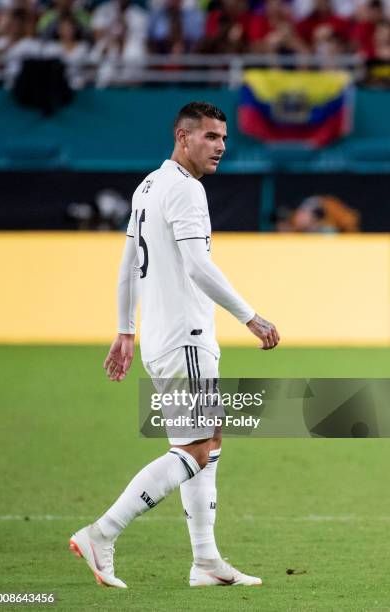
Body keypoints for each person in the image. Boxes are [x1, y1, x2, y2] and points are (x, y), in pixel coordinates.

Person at [70, 101, 280, 589]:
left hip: (169, 335)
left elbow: (127, 264)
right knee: (194, 449)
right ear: (183, 137)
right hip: (185, 336)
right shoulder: (186, 191)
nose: (221, 147)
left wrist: (125, 330)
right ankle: (102, 533)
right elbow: (198, 266)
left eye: (224, 138)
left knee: (211, 439)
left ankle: (205, 561)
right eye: (210, 137)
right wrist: (250, 316)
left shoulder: (149, 184)